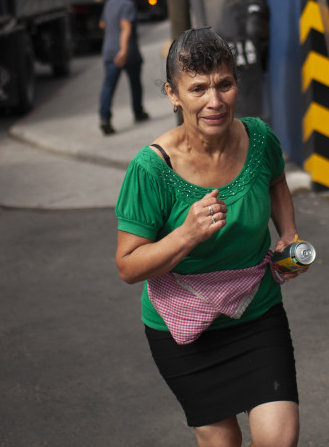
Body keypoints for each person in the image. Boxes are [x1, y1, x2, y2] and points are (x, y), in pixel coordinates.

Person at [115, 27, 302, 447]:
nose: (214, 101)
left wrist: (288, 233)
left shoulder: (259, 139)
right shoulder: (150, 169)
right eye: (197, 88)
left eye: (225, 85)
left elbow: (276, 181)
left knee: (279, 440)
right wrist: (186, 235)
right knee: (223, 443)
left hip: (257, 315)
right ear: (172, 94)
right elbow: (128, 266)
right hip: (183, 330)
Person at [215, 0, 269, 119]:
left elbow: (254, 32)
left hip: (249, 70)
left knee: (250, 119)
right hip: (230, 68)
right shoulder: (229, 3)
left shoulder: (254, 2)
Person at [98, 0, 149, 135]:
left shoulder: (109, 3)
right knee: (135, 84)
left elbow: (102, 24)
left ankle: (104, 118)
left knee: (108, 86)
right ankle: (138, 112)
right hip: (127, 52)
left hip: (109, 51)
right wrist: (124, 50)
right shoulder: (128, 4)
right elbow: (126, 28)